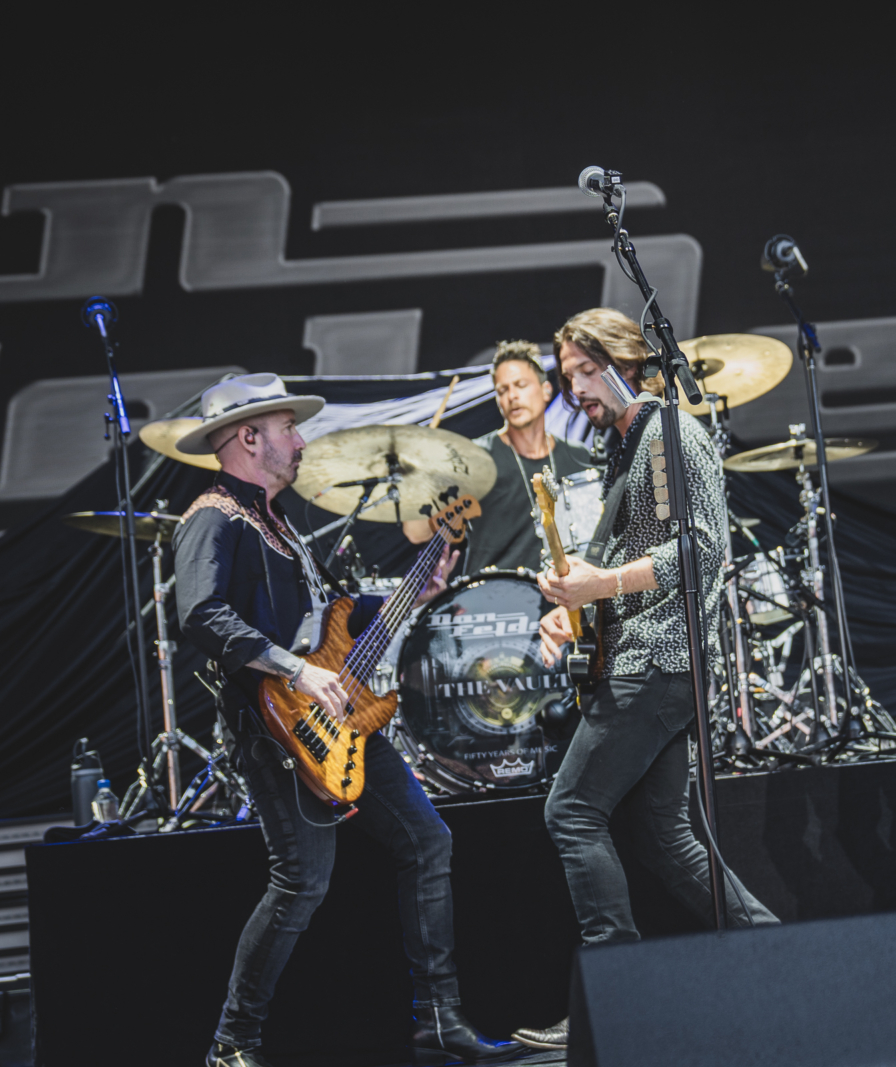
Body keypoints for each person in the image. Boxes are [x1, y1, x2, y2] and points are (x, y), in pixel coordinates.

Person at [172, 373, 516, 1067]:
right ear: (247, 437)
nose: (300, 442)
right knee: (301, 880)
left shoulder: (276, 521)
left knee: (428, 840)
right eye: (287, 430)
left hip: (340, 716)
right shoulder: (212, 515)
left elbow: (332, 615)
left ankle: (439, 1019)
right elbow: (200, 614)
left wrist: (418, 587)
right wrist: (296, 669)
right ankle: (232, 1043)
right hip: (274, 724)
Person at [511, 308, 779, 1053]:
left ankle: (612, 999)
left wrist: (601, 588)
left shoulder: (669, 434)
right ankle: (785, 957)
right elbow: (629, 562)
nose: (573, 394)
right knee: (667, 838)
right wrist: (575, 610)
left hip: (659, 662)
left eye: (579, 375)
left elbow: (701, 554)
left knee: (571, 812)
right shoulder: (627, 446)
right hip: (641, 656)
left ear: (621, 358)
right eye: (565, 381)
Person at [403, 339, 595, 573]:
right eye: (503, 390)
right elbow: (416, 532)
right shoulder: (473, 458)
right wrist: (416, 476)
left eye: (521, 385)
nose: (512, 396)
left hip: (565, 598)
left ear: (546, 390)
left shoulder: (578, 456)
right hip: (493, 598)